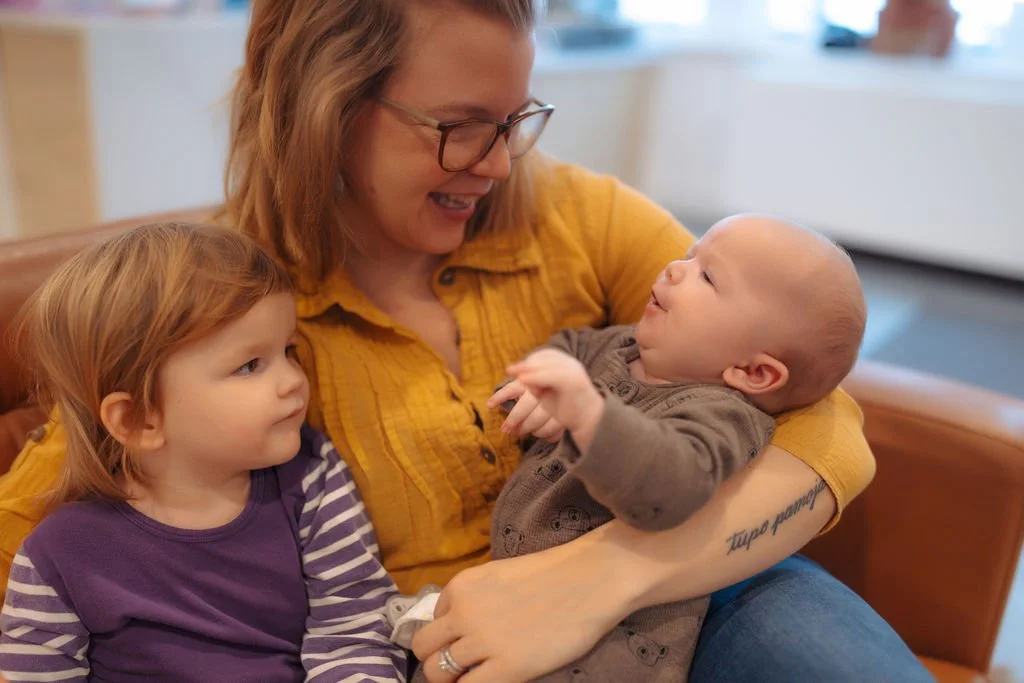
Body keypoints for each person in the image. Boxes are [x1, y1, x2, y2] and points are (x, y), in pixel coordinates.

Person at [0, 1, 933, 681]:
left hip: (703, 583)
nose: (495, 163)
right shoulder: (228, 306)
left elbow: (825, 419)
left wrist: (600, 577)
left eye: (513, 120)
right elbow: (50, 501)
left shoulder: (579, 217)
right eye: (457, 128)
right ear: (323, 108)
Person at [396, 215, 867, 681]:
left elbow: (669, 487)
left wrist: (589, 416)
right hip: (499, 606)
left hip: (613, 649)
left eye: (706, 276)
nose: (673, 268)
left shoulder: (723, 418)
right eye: (689, 255)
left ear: (753, 373)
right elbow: (568, 350)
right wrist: (539, 384)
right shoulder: (620, 346)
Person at [0, 224, 406, 682]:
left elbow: (352, 631)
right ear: (139, 419)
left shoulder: (312, 478)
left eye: (288, 350)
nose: (293, 379)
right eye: (250, 365)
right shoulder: (58, 554)